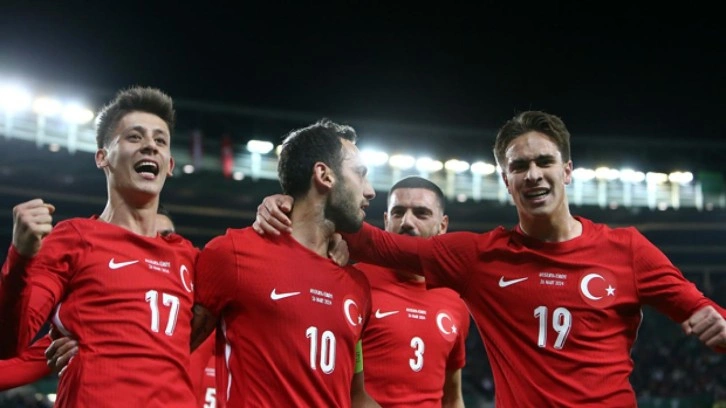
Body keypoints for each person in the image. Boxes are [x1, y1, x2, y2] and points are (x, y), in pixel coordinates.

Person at [254, 111, 726, 407]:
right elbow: (377, 244)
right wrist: (292, 202)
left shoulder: (628, 249)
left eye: (544, 162)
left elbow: (704, 312)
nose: (533, 175)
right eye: (519, 166)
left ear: (567, 170)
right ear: (506, 180)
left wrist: (717, 323)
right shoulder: (479, 258)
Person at [0, 87, 200, 407]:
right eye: (134, 137)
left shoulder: (190, 258)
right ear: (102, 157)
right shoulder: (73, 238)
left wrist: (278, 204)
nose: (150, 145)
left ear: (170, 164)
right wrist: (21, 257)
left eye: (160, 140)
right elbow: (10, 342)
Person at [190, 119, 380, 407]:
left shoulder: (357, 286)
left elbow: (356, 398)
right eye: (360, 174)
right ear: (324, 175)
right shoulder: (234, 254)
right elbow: (171, 354)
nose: (370, 191)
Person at [357, 176, 469, 407]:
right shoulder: (355, 283)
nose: (407, 222)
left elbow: (452, 396)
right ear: (386, 221)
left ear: (442, 226)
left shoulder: (456, 300)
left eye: (421, 213)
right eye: (398, 213)